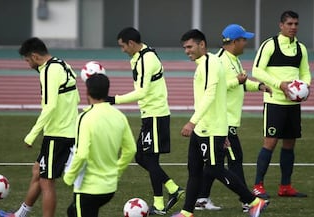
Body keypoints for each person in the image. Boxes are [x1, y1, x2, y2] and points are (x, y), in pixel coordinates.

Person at [171, 29, 268, 217]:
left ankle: (254, 201)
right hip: (203, 129)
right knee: (195, 171)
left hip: (210, 129)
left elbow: (210, 94)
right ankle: (186, 212)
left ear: (202, 45)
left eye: (190, 47)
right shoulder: (205, 63)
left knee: (215, 169)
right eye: (185, 48)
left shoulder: (210, 63)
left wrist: (192, 122)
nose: (187, 51)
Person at [0, 37, 80, 217]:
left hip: (57, 134)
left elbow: (50, 106)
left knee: (47, 181)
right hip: (68, 131)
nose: (28, 65)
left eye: (27, 60)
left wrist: (31, 135)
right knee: (37, 171)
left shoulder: (49, 71)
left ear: (35, 56)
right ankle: (20, 214)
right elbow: (76, 98)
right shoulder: (62, 64)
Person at [106, 27, 184, 215]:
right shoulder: (140, 56)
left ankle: (158, 204)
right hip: (150, 114)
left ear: (131, 43)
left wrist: (113, 100)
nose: (122, 50)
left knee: (149, 158)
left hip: (155, 115)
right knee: (141, 156)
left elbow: (142, 92)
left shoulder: (146, 59)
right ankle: (173, 189)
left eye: (122, 46)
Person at [252, 10, 311, 199]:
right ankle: (258, 186)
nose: (293, 27)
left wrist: (306, 87)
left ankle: (285, 186)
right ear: (281, 25)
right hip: (274, 102)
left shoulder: (301, 48)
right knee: (270, 143)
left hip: (293, 105)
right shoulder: (270, 45)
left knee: (289, 144)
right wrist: (280, 85)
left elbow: (305, 72)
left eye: (296, 24)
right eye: (289, 24)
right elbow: (256, 70)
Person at [63, 73, 137, 217]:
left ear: (87, 91)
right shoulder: (119, 116)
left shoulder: (85, 117)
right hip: (109, 188)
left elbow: (82, 153)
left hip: (88, 188)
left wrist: (69, 176)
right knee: (72, 211)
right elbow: (131, 150)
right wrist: (117, 171)